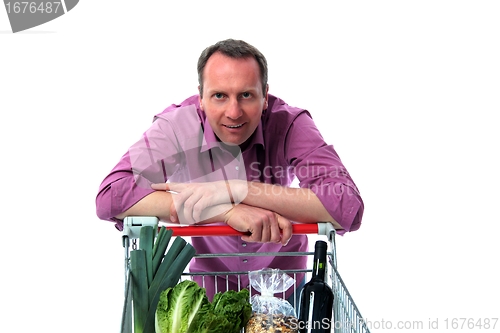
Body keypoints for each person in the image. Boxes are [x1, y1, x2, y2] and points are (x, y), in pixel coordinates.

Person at [95, 38, 364, 306]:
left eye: (246, 95)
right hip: (205, 294)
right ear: (200, 97)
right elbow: (112, 195)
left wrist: (238, 189)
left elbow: (346, 205)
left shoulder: (291, 124)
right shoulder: (177, 126)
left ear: (265, 96)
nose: (233, 112)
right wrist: (226, 209)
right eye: (219, 96)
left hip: (282, 291)